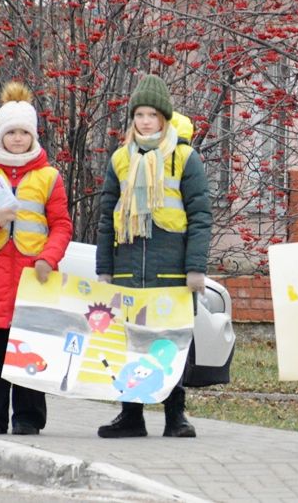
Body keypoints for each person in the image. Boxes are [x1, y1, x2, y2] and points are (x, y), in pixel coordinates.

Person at [95, 74, 212, 438]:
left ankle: (175, 415)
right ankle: (131, 415)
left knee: (171, 343)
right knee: (130, 343)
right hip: (130, 272)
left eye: (152, 114)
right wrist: (105, 269)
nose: (145, 121)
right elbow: (106, 215)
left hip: (170, 273)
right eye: (139, 114)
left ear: (164, 118)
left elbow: (200, 216)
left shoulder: (184, 158)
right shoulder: (120, 160)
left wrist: (196, 268)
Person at [0, 81, 73, 436]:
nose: (18, 139)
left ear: (33, 135)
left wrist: (48, 259)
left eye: (24, 132)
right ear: (1, 135)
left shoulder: (49, 177)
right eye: (12, 133)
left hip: (32, 279)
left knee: (31, 352)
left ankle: (28, 417)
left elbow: (62, 226)